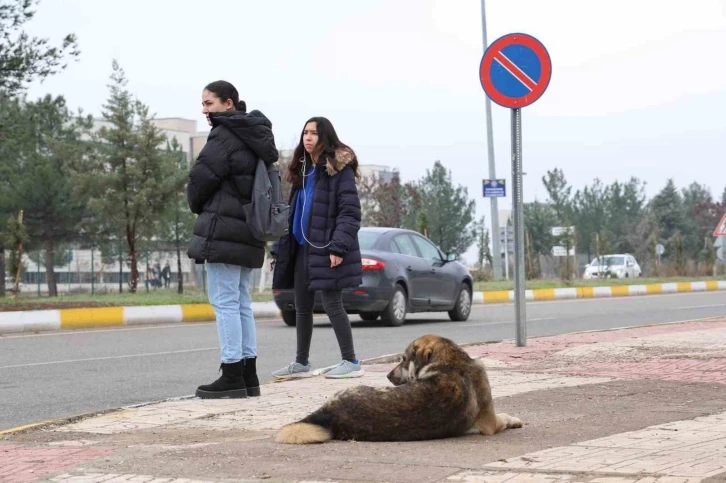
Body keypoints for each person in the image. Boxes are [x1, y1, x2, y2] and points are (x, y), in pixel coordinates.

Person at [187, 80, 279, 398]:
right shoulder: (256, 135)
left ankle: (231, 374)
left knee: (226, 303)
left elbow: (200, 177)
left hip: (224, 230)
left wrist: (198, 205)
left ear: (229, 104)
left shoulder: (225, 134)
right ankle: (248, 375)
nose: (204, 110)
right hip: (249, 230)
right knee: (241, 303)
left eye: (209, 103)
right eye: (203, 104)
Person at [271, 117, 364, 380]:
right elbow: (292, 214)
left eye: (314, 133)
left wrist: (338, 248)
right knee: (301, 306)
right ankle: (301, 363)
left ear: (325, 137)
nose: (308, 137)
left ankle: (351, 361)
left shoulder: (337, 169)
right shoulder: (302, 170)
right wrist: (279, 249)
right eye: (305, 133)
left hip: (327, 247)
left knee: (333, 303)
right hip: (302, 247)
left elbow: (350, 213)